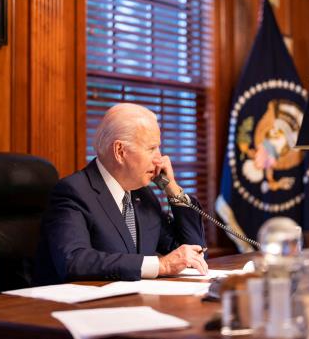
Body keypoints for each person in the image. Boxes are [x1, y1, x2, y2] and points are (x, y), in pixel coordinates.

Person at [34, 103, 208, 284]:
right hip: (73, 308)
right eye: (151, 149)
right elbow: (74, 261)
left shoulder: (144, 195)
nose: (160, 159)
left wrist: (172, 189)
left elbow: (193, 253)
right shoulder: (73, 192)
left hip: (133, 304)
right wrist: (161, 265)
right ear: (120, 151)